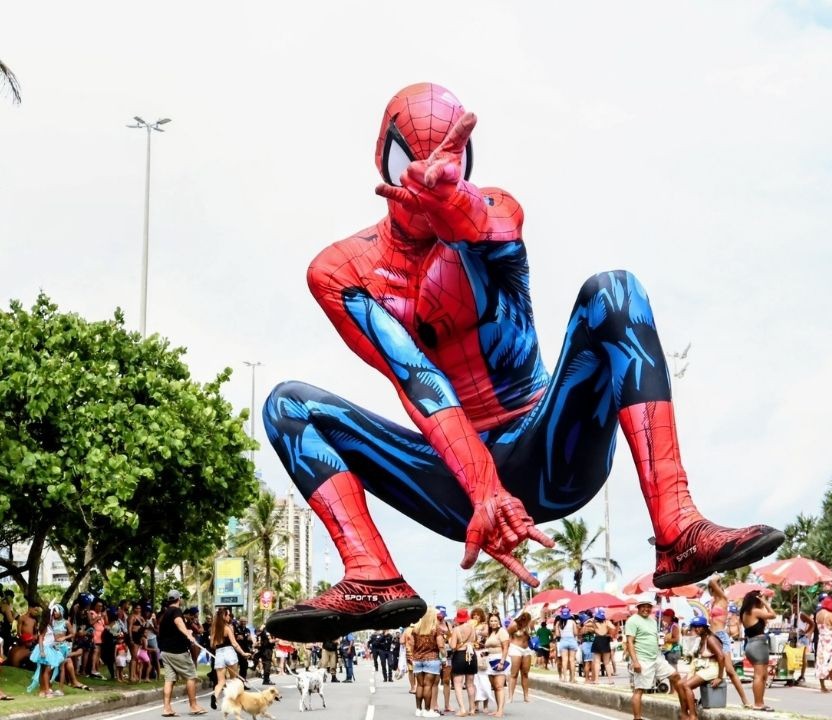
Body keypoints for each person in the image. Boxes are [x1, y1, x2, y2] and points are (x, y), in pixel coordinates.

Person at [261, 82, 785, 643]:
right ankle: (372, 573)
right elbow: (412, 371)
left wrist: (453, 197)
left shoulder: (495, 210)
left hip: (549, 450)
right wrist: (484, 487)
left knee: (614, 292)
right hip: (456, 488)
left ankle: (677, 526)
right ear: (383, 160)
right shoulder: (342, 269)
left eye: (450, 158)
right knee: (288, 407)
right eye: (409, 160)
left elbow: (486, 224)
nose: (426, 174)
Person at [626, 596, 693, 720]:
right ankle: (637, 718)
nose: (646, 609)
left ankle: (684, 713)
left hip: (657, 658)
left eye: (648, 607)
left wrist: (659, 642)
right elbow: (630, 642)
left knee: (676, 676)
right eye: (643, 606)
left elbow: (653, 638)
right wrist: (635, 662)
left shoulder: (652, 621)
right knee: (639, 690)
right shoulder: (632, 621)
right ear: (638, 608)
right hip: (642, 659)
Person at [156, 590, 207, 717]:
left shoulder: (165, 613)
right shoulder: (176, 611)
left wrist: (186, 631)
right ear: (179, 599)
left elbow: (170, 629)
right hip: (178, 651)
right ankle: (193, 706)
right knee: (191, 676)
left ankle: (167, 708)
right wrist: (188, 635)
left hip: (165, 652)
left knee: (169, 679)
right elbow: (178, 623)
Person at [707, 578, 751, 706]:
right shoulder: (713, 601)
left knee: (730, 671)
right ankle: (709, 697)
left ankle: (745, 700)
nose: (713, 589)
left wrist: (716, 574)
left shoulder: (723, 599)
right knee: (709, 667)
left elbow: (712, 582)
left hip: (721, 636)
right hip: (712, 636)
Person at [739, 590, 776, 712]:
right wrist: (765, 602)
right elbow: (773, 614)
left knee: (763, 676)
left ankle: (760, 702)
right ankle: (758, 703)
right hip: (757, 645)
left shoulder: (746, 612)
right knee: (759, 676)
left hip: (754, 644)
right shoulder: (754, 611)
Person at [408, 608, 447, 718]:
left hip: (418, 659)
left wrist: (412, 656)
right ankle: (427, 710)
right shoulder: (435, 629)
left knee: (419, 685)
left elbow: (411, 644)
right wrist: (444, 658)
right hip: (432, 659)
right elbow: (441, 646)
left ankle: (418, 709)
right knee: (428, 685)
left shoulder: (416, 629)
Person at [683, 616, 726, 714]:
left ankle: (693, 716)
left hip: (713, 668)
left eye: (700, 626)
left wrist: (719, 677)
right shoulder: (700, 639)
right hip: (703, 668)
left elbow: (721, 657)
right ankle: (684, 713)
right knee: (680, 684)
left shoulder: (710, 639)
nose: (697, 629)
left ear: (706, 627)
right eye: (695, 626)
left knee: (686, 686)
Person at [208, 607, 248, 711]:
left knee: (220, 682)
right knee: (233, 680)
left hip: (219, 654)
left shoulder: (213, 629)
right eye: (228, 615)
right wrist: (243, 653)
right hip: (229, 652)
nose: (229, 616)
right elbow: (234, 643)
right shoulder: (228, 628)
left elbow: (212, 645)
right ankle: (234, 702)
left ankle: (215, 696)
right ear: (224, 616)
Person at [448, 608, 478, 717]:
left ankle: (462, 709)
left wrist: (450, 639)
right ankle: (472, 709)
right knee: (470, 683)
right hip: (471, 654)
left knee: (458, 683)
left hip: (460, 655)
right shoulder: (472, 628)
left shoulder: (456, 629)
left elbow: (452, 646)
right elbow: (476, 640)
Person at [480, 612, 509, 717]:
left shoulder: (502, 632)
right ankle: (498, 709)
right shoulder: (490, 633)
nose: (493, 623)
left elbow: (505, 648)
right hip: (490, 660)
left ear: (499, 622)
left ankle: (501, 710)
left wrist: (502, 662)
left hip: (500, 659)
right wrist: (485, 652)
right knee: (495, 686)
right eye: (491, 621)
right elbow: (491, 647)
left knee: (499, 686)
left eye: (495, 621)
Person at [813, 596, 832, 692]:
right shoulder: (830, 615)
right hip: (830, 642)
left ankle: (822, 686)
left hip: (821, 641)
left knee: (821, 663)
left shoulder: (818, 614)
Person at [507, 613, 533, 702]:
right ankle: (510, 697)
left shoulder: (529, 625)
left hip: (526, 649)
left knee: (525, 674)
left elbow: (530, 637)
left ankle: (526, 697)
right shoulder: (514, 625)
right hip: (515, 648)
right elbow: (508, 635)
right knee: (514, 674)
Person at [553, 607, 579, 683]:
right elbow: (575, 633)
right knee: (572, 660)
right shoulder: (572, 622)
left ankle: (564, 678)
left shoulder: (558, 623)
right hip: (572, 641)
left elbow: (557, 634)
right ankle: (572, 678)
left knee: (564, 660)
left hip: (563, 641)